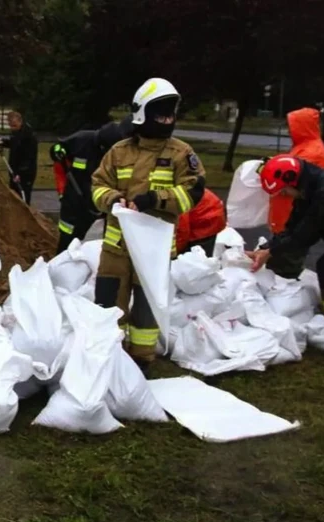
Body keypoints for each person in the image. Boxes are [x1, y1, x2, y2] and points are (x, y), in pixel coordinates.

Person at [91, 78, 206, 369]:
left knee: (146, 307)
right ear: (142, 113)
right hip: (116, 250)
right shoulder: (118, 152)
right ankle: (107, 356)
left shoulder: (181, 153)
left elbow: (192, 192)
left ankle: (141, 360)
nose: (167, 117)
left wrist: (155, 199)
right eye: (161, 111)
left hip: (153, 253)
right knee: (106, 305)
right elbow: (97, 186)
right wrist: (114, 199)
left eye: (171, 111)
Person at [247, 155, 324, 320]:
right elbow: (293, 226)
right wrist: (266, 248)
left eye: (283, 190)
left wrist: (272, 251)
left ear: (292, 181)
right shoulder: (309, 190)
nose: (285, 195)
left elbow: (306, 234)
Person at [265, 107, 324, 278]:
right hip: (295, 217)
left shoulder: (312, 152)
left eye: (292, 126)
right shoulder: (303, 152)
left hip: (308, 219)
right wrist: (268, 248)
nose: (289, 130)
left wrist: (271, 251)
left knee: (319, 268)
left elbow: (307, 230)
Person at [49, 116, 133, 254]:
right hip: (73, 201)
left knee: (97, 244)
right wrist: (58, 151)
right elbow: (58, 147)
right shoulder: (82, 140)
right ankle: (61, 262)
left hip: (98, 204)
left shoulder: (117, 154)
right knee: (67, 238)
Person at [0, 110, 38, 204]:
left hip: (25, 173)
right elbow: (14, 144)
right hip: (14, 170)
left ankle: (26, 216)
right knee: (14, 196)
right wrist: (3, 142)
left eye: (14, 125)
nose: (12, 128)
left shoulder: (29, 136)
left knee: (23, 197)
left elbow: (29, 157)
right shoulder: (17, 133)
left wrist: (20, 173)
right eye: (10, 126)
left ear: (20, 121)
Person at [174, 188, 226, 256]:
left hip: (206, 223)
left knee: (199, 257)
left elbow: (183, 230)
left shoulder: (176, 201)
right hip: (210, 213)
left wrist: (176, 252)